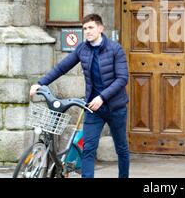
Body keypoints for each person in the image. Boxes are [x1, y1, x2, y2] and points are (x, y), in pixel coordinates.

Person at [29, 14, 130, 178]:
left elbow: (122, 79)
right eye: (84, 28)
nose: (87, 31)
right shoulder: (83, 49)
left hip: (115, 108)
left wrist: (102, 97)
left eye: (91, 27)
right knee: (88, 149)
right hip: (92, 108)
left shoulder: (115, 49)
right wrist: (41, 83)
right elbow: (62, 67)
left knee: (121, 149)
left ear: (100, 28)